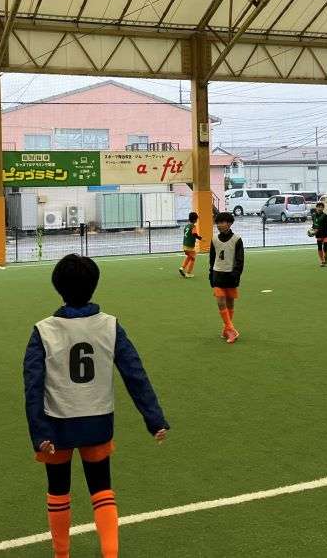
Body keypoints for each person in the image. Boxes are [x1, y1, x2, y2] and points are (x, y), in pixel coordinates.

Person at [24, 254, 169, 558]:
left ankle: (61, 555)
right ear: (94, 285)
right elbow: (135, 374)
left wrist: (39, 433)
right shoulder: (110, 326)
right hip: (98, 421)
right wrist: (154, 418)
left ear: (57, 286)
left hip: (57, 424)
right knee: (102, 488)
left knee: (58, 489)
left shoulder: (43, 330)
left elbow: (33, 386)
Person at [209, 211, 244, 344]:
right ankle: (231, 329)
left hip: (231, 275)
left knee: (230, 303)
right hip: (217, 274)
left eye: (222, 222)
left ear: (229, 224)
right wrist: (210, 274)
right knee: (220, 302)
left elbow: (240, 260)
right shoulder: (214, 239)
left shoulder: (237, 239)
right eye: (217, 222)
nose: (219, 225)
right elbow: (212, 258)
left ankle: (226, 329)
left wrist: (236, 274)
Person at [178, 212, 202, 279]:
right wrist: (200, 238)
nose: (197, 220)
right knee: (193, 258)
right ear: (195, 220)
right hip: (189, 246)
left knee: (189, 257)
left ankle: (182, 268)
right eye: (196, 219)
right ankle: (188, 273)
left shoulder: (186, 226)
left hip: (184, 245)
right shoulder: (193, 226)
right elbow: (194, 234)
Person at [311, 201, 327, 266]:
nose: (320, 208)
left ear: (323, 208)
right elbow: (314, 224)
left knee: (325, 247)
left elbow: (325, 226)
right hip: (318, 234)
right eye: (318, 207)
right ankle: (322, 261)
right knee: (319, 247)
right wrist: (312, 230)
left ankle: (325, 256)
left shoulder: (325, 216)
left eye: (321, 207)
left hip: (325, 233)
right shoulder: (313, 216)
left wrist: (317, 230)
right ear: (316, 208)